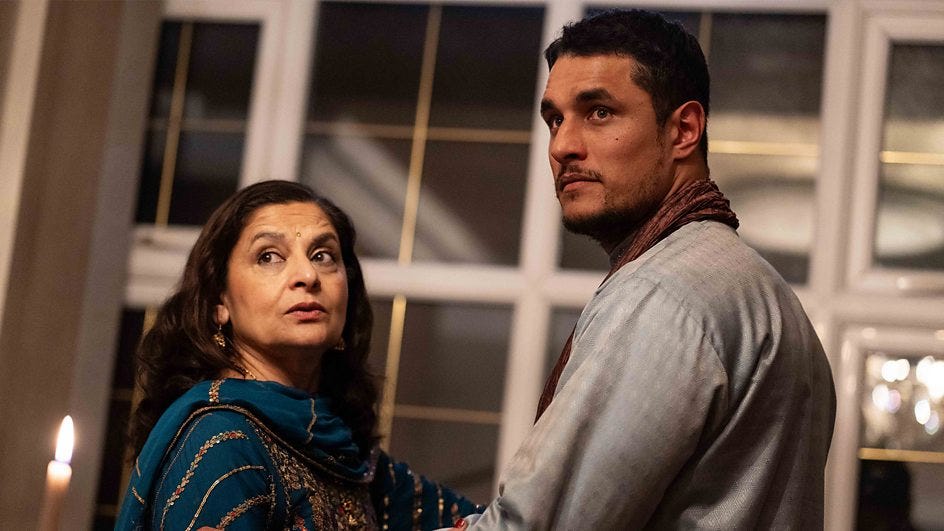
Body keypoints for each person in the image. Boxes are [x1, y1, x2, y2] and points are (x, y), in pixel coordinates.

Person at [462, 9, 836, 529]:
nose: (562, 145)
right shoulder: (763, 292)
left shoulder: (664, 293)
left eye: (598, 112)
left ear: (684, 130)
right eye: (555, 119)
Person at [115, 180, 480, 530]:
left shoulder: (339, 448)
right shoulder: (221, 442)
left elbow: (493, 522)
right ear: (218, 302)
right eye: (269, 256)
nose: (307, 275)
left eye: (323, 256)